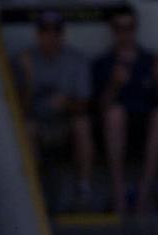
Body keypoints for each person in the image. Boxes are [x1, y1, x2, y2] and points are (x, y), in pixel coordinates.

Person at [92, 5, 158, 215]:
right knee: (115, 114)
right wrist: (115, 84)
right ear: (112, 30)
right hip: (113, 130)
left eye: (130, 27)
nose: (125, 33)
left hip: (147, 128)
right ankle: (119, 192)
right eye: (119, 28)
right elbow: (99, 109)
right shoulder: (103, 63)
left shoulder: (151, 60)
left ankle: (143, 194)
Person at [13, 10, 94, 208]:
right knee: (26, 128)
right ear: (38, 34)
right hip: (36, 123)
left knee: (82, 124)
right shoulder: (23, 60)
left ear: (62, 34)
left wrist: (66, 103)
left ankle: (83, 188)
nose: (50, 36)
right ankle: (32, 191)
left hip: (65, 122)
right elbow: (17, 111)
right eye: (45, 31)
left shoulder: (76, 60)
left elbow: (85, 104)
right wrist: (29, 77)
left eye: (55, 31)